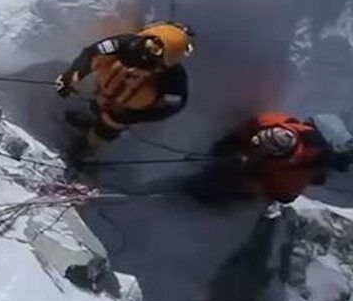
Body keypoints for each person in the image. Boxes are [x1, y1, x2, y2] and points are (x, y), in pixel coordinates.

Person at [54, 22, 193, 164]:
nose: (143, 58)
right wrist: (70, 77)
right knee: (97, 107)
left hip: (123, 112)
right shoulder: (125, 43)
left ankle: (86, 147)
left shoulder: (174, 79)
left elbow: (173, 105)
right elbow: (92, 53)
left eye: (154, 56)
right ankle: (91, 121)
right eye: (144, 48)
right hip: (103, 93)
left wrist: (131, 116)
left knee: (105, 130)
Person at [187, 112, 353, 205]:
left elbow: (256, 123)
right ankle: (202, 191)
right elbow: (285, 193)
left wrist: (233, 141)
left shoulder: (282, 121)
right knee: (251, 188)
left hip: (234, 148)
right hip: (242, 168)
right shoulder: (304, 161)